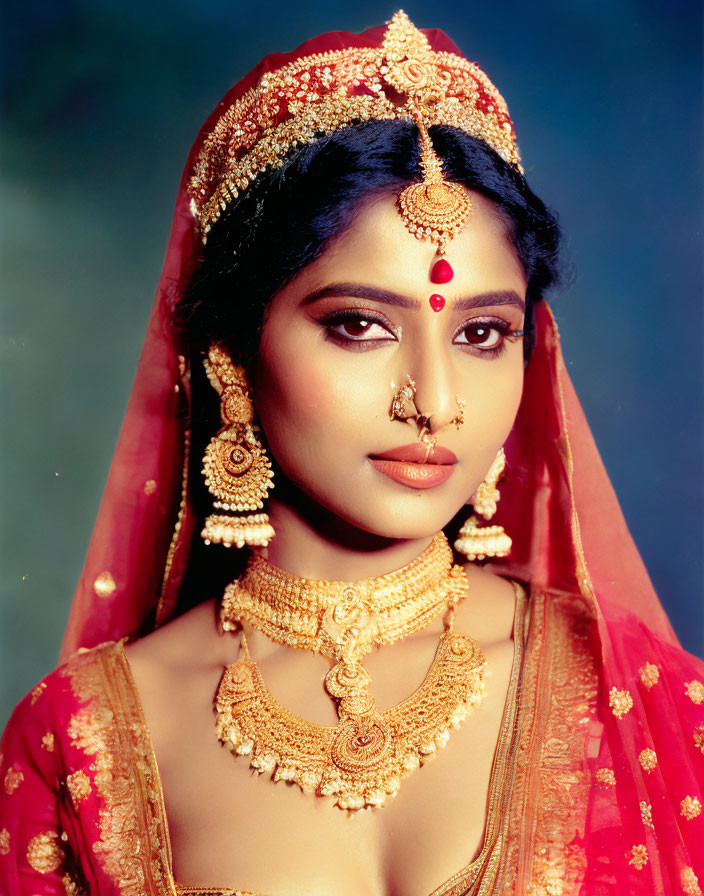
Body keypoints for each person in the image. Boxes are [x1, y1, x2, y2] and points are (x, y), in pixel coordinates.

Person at [1, 11, 702, 895]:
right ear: (233, 360)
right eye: (360, 326)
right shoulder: (82, 744)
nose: (436, 403)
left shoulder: (653, 707)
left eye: (484, 333)